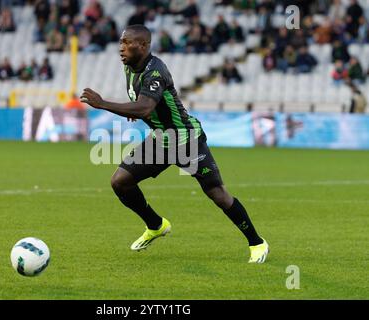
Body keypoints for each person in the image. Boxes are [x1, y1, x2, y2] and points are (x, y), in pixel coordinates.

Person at [80, 25, 269, 263]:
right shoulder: (130, 66)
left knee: (217, 194)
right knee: (120, 182)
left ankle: (257, 242)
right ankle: (156, 225)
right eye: (121, 42)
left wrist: (105, 103)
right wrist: (134, 110)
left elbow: (145, 107)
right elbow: (143, 104)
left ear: (144, 46)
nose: (121, 48)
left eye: (128, 43)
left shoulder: (156, 71)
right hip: (161, 140)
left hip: (186, 140)